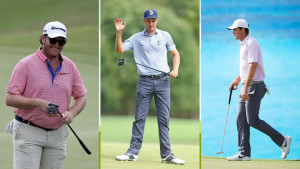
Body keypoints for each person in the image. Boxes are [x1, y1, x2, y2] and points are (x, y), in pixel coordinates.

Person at [5, 21, 87, 169]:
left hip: (57, 135)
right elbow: (10, 98)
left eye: (61, 42)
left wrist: (72, 113)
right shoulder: (25, 64)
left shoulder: (70, 66)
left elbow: (81, 96)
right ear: (43, 38)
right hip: (28, 131)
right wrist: (38, 103)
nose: (57, 44)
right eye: (53, 40)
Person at [113, 9, 185, 165]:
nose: (151, 23)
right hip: (144, 82)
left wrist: (176, 69)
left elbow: (175, 54)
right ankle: (132, 153)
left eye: (153, 20)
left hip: (163, 81)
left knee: (164, 119)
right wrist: (119, 34)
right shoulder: (137, 38)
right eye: (148, 20)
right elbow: (120, 50)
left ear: (157, 21)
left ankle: (167, 155)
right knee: (139, 118)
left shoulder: (165, 35)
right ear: (144, 21)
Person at [226, 19, 291, 161]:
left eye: (235, 29)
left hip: (254, 86)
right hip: (247, 84)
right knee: (241, 119)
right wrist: (237, 80)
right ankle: (244, 153)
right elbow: (246, 67)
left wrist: (245, 86)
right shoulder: (243, 44)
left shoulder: (251, 43)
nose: (233, 32)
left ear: (243, 29)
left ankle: (282, 140)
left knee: (252, 120)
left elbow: (253, 66)